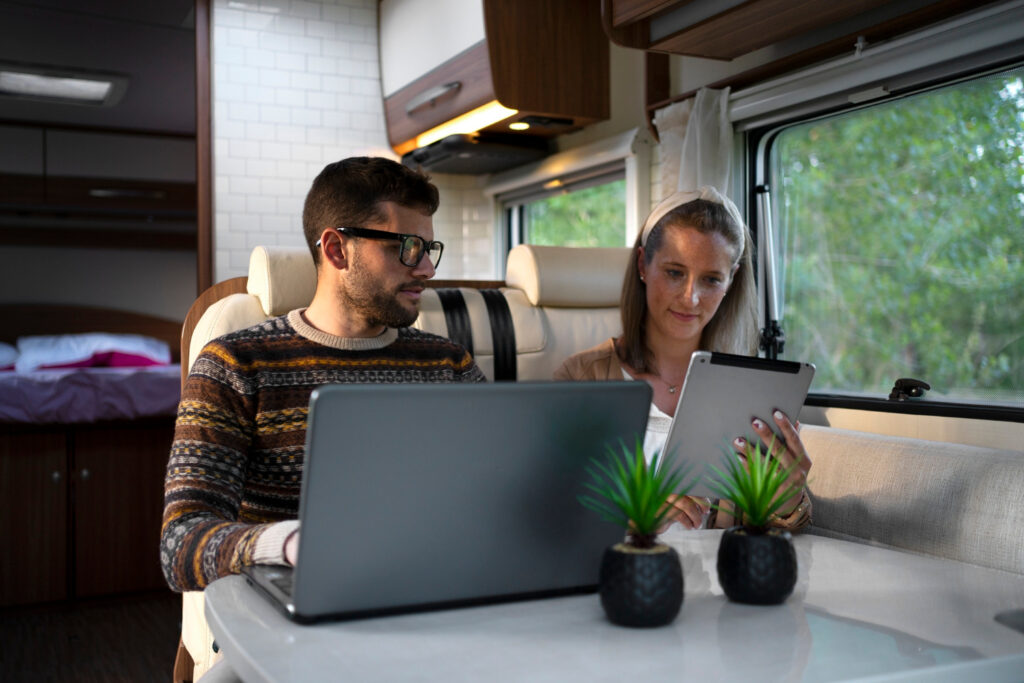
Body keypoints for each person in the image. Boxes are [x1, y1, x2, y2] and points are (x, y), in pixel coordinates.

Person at [161, 157, 485, 593]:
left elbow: (495, 491)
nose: (426, 268)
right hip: (296, 611)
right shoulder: (235, 365)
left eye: (429, 249)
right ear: (336, 250)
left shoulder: (449, 366)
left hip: (432, 589)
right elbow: (180, 548)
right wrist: (293, 543)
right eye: (407, 246)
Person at [554, 186, 811, 532]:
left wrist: (788, 498)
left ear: (731, 280)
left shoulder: (748, 391)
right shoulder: (579, 379)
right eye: (675, 273)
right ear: (643, 264)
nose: (691, 299)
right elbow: (546, 512)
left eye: (711, 280)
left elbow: (770, 531)